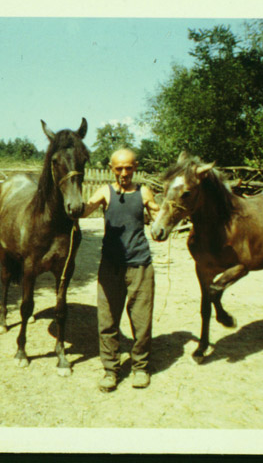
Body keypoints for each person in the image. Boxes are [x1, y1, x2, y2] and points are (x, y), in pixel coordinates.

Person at [82, 148, 159, 392]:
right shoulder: (105, 192)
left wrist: (164, 220)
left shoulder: (144, 192)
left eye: (128, 167)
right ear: (111, 167)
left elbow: (160, 218)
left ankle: (140, 368)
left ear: (135, 166)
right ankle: (110, 370)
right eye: (119, 168)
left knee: (141, 321)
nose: (124, 173)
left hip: (140, 266)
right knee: (107, 320)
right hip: (110, 267)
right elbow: (84, 210)